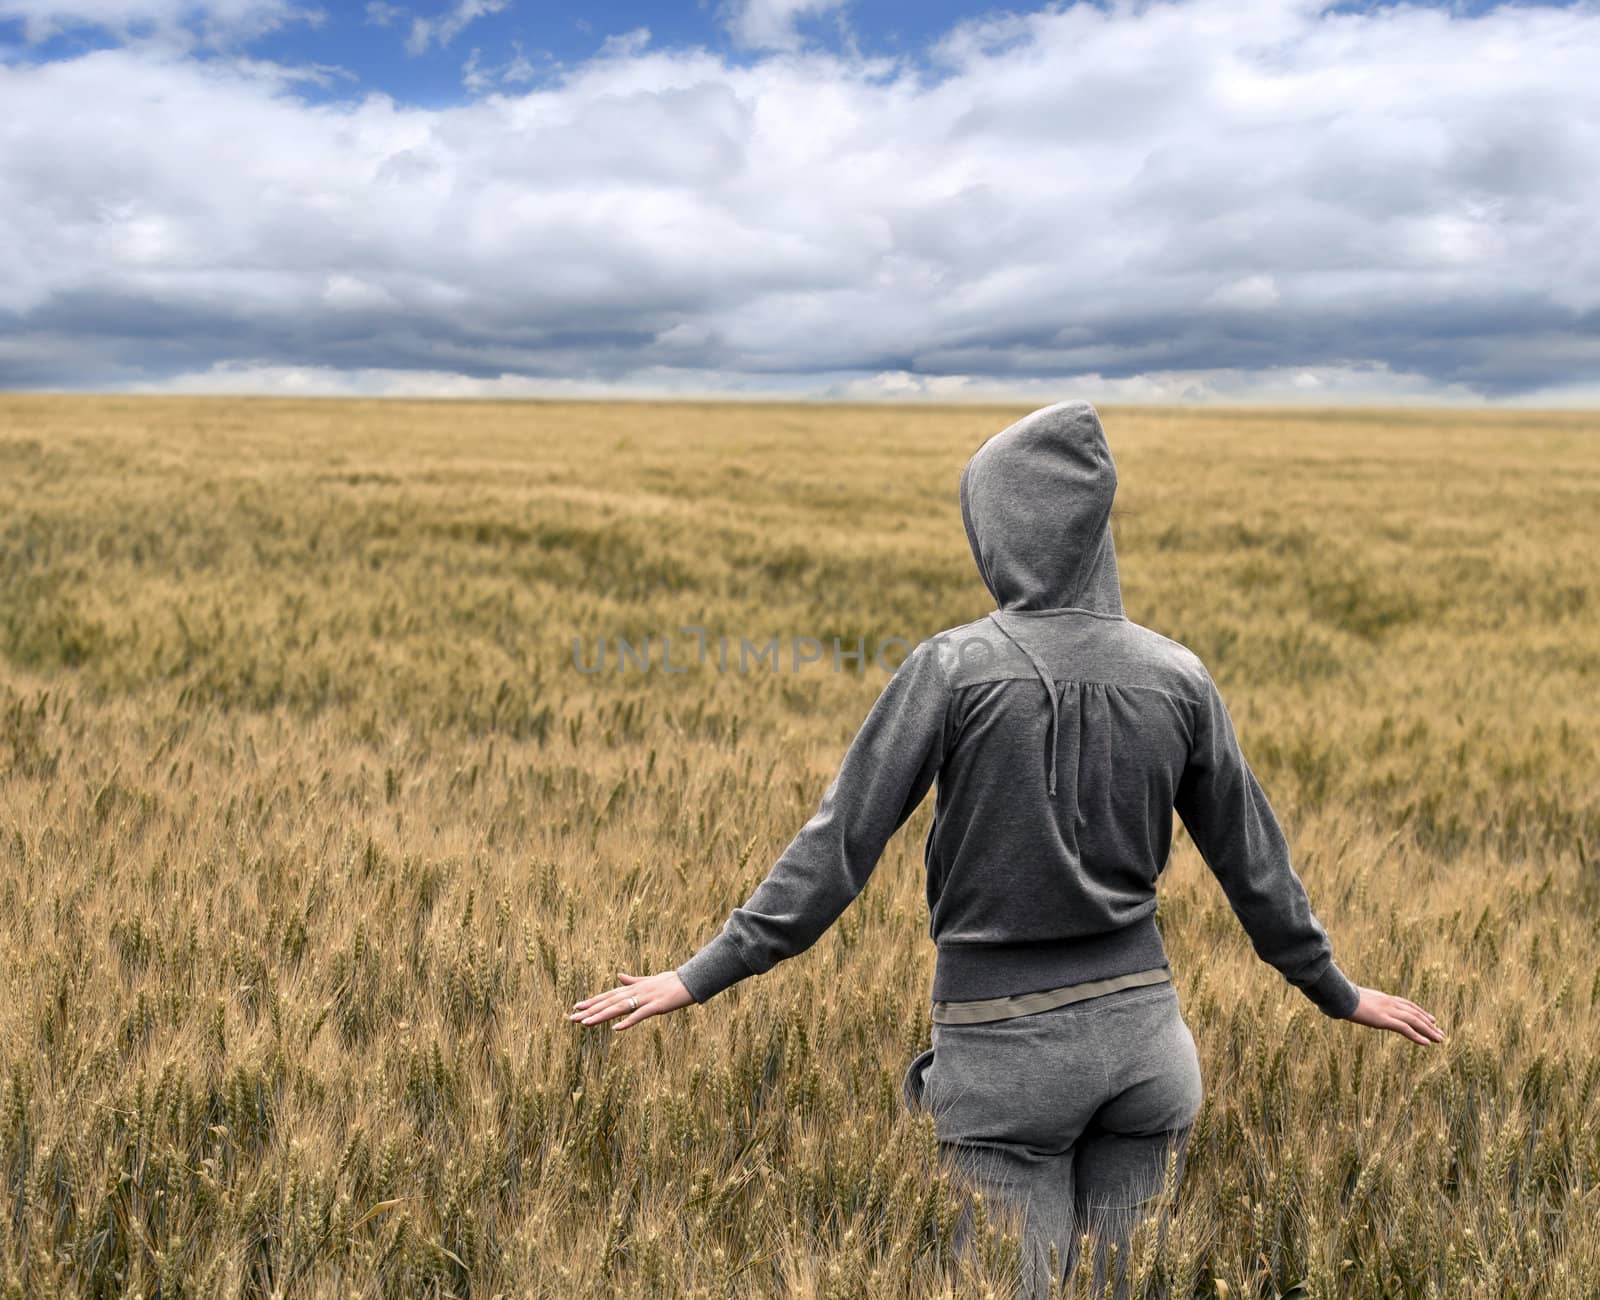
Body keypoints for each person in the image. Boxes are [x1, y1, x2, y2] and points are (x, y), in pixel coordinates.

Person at [568, 399, 1444, 1299]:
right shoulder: (1180, 677)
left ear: (1002, 532)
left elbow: (839, 846)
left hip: (1003, 1062)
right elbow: (1255, 866)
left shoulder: (952, 668)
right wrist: (1336, 992)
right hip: (1150, 1050)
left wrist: (698, 973)